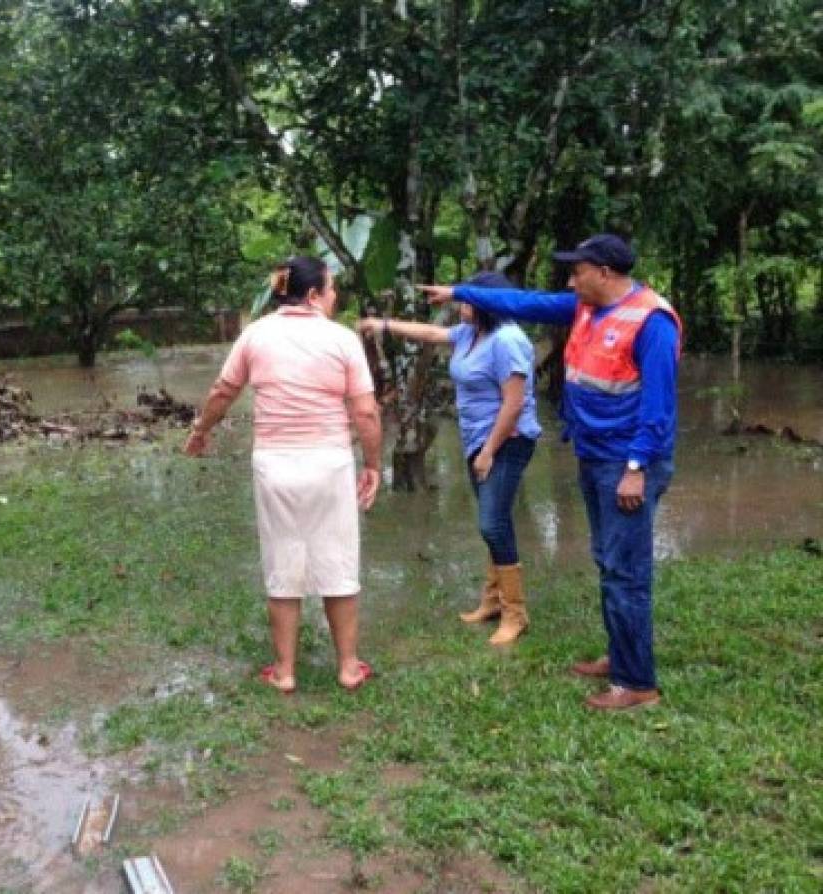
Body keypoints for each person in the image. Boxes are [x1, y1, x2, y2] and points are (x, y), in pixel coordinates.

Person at [424, 234, 681, 711]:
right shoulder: (585, 308)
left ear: (603, 271)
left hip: (626, 463)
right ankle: (621, 656)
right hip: (595, 453)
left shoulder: (652, 322)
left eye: (576, 269)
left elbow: (658, 406)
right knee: (608, 561)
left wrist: (636, 468)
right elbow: (523, 302)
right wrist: (461, 293)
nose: (570, 279)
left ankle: (637, 684)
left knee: (626, 572)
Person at [184, 257, 383, 694]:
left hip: (275, 465)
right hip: (329, 463)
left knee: (282, 561)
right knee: (338, 561)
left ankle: (285, 671)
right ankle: (348, 667)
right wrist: (372, 464)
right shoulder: (342, 340)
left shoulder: (256, 335)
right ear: (313, 295)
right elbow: (365, 411)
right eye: (331, 291)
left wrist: (201, 431)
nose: (335, 299)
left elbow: (223, 391)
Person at [358, 272, 542, 646]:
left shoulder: (508, 340)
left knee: (493, 523)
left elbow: (514, 402)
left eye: (466, 299)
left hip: (507, 441)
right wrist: (384, 325)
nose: (460, 306)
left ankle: (515, 612)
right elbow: (429, 334)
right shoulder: (470, 334)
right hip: (478, 439)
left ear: (487, 304)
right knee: (493, 520)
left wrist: (490, 450)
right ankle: (493, 600)